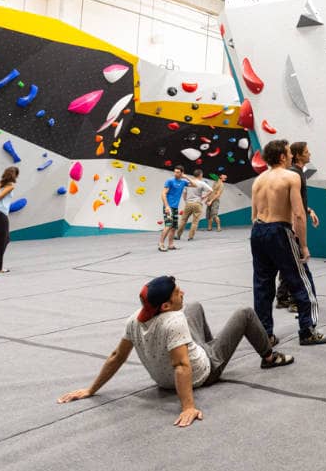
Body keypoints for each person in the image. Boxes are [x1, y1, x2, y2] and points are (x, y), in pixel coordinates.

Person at [57, 275, 293, 427]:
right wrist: (188, 407)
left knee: (195, 307)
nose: (183, 292)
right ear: (166, 306)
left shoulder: (133, 321)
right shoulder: (174, 321)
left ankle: (212, 346)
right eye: (178, 292)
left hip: (168, 376)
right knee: (245, 313)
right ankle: (270, 357)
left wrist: (91, 389)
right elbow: (181, 366)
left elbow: (117, 356)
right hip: (204, 372)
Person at [249, 139, 326, 346]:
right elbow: (298, 214)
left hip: (258, 231)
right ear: (282, 157)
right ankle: (308, 330)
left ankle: (265, 335)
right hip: (279, 231)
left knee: (262, 286)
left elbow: (253, 215)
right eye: (288, 153)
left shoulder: (258, 180)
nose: (291, 156)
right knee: (302, 280)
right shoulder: (291, 177)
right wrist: (303, 245)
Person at [277, 142, 320, 310]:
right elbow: (292, 206)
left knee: (289, 262)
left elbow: (297, 202)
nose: (309, 154)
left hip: (289, 224)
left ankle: (282, 297)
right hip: (291, 225)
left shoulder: (295, 173)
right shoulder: (295, 174)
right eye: (306, 152)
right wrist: (299, 236)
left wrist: (309, 210)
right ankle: (296, 301)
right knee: (298, 262)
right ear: (298, 155)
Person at [158, 166, 203, 252]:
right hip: (168, 207)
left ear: (182, 173)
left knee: (174, 227)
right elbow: (163, 194)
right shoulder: (170, 181)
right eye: (175, 172)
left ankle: (170, 245)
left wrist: (186, 177)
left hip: (175, 207)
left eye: (178, 172)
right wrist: (166, 206)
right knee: (168, 225)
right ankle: (161, 244)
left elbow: (195, 185)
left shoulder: (183, 182)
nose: (176, 173)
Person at [175, 169, 212, 241]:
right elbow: (211, 190)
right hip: (197, 203)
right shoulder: (202, 183)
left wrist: (186, 201)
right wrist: (205, 196)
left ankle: (178, 235)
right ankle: (190, 237)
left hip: (188, 203)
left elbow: (184, 193)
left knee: (183, 220)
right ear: (200, 175)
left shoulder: (188, 182)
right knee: (195, 222)